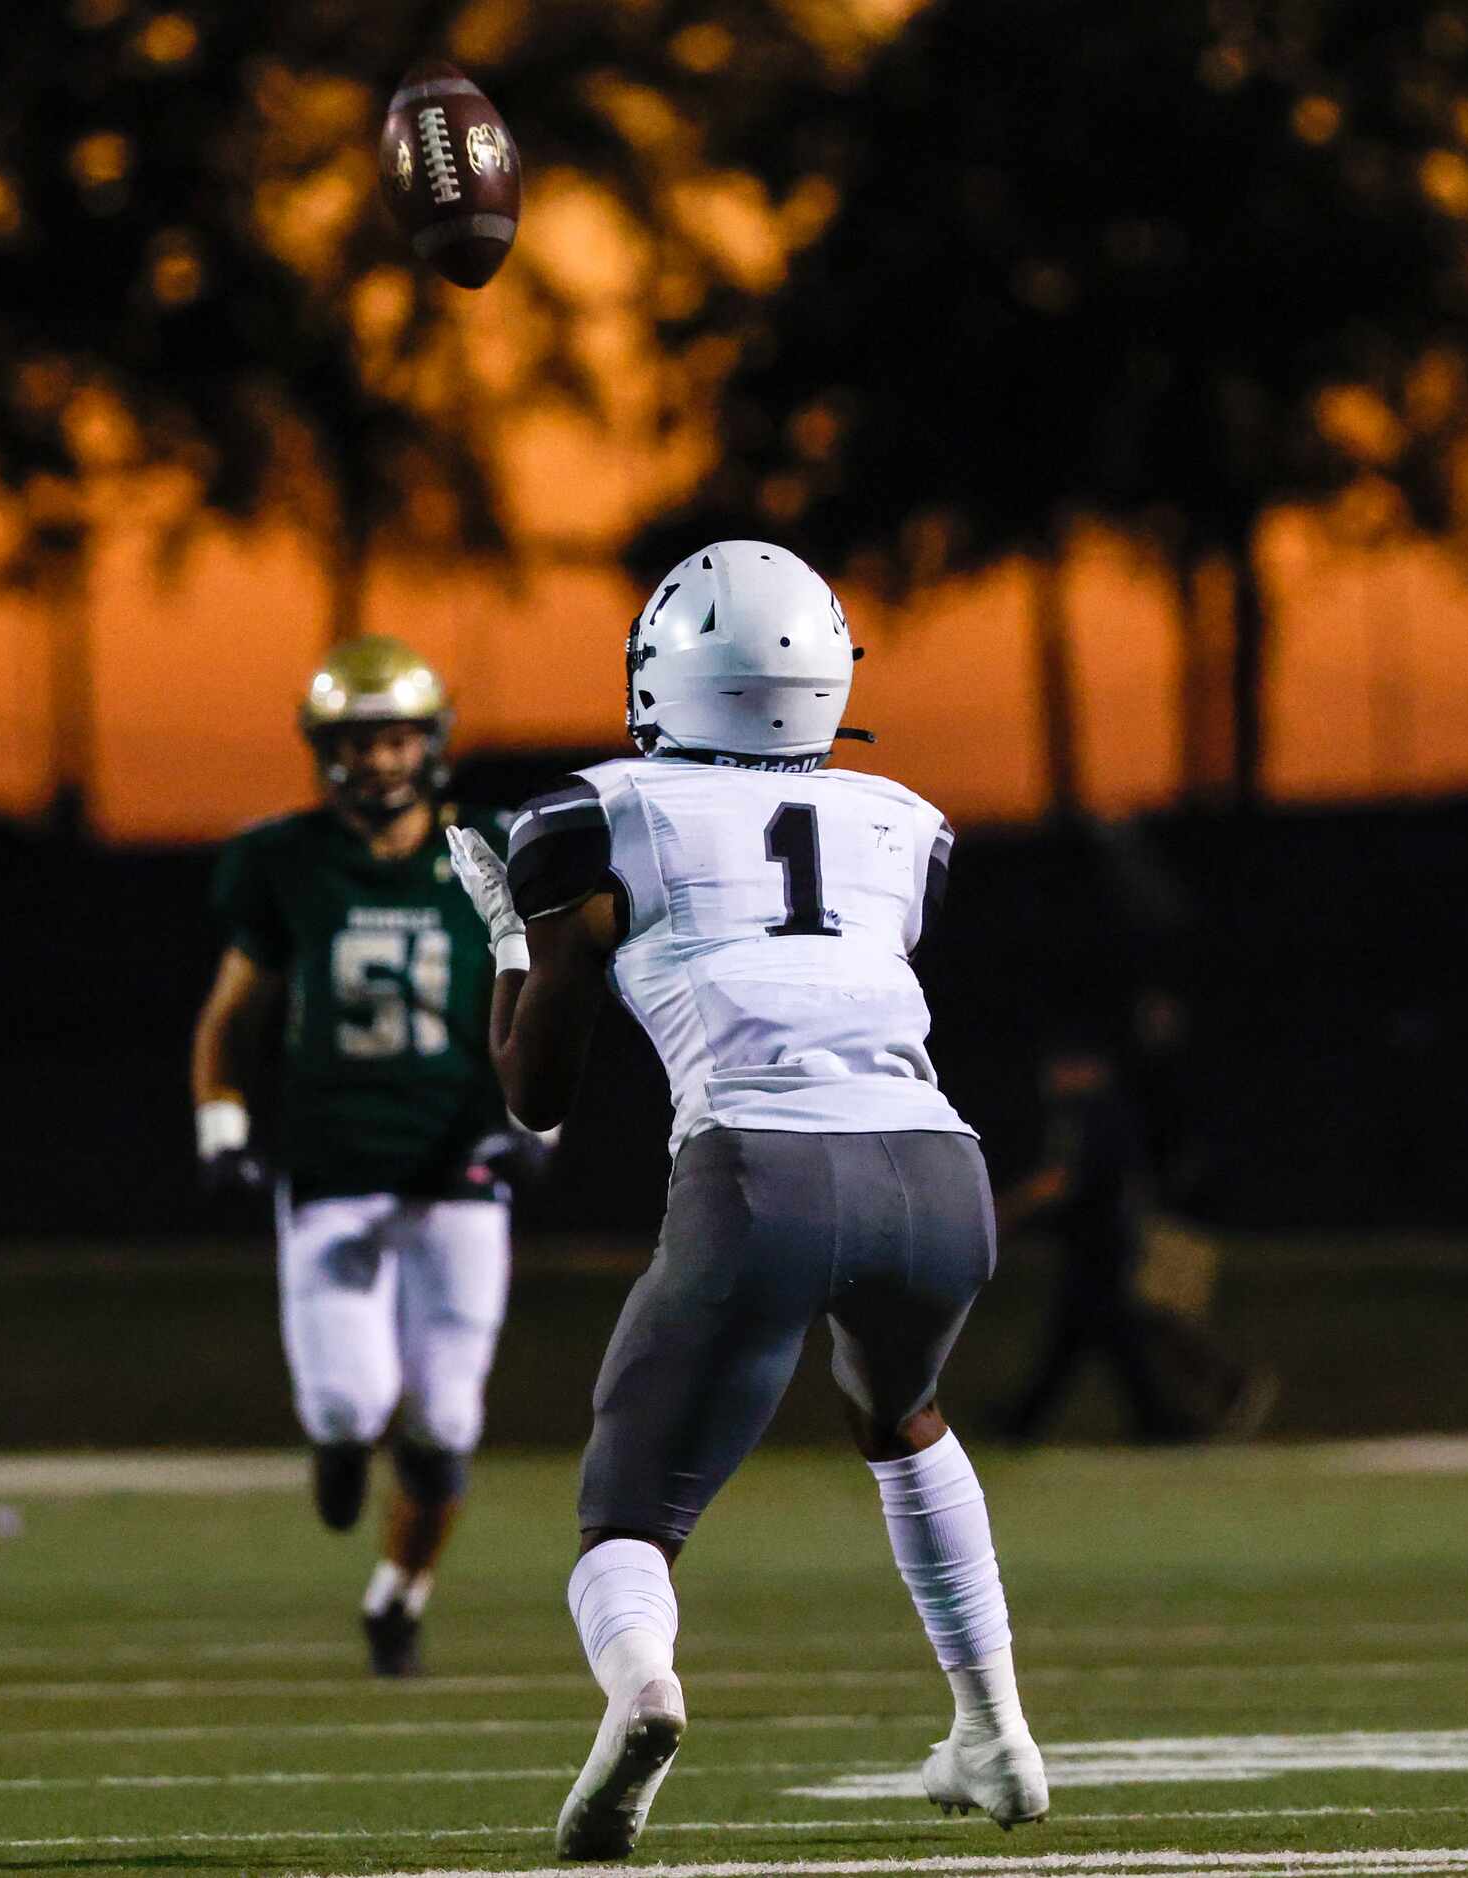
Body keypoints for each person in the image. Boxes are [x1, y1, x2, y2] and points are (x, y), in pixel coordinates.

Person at [445, 542, 1049, 1858]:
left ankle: (644, 1689)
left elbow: (535, 1092)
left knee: (628, 1505)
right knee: (900, 1415)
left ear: (663, 668)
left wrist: (513, 938)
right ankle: (995, 1729)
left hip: (763, 1169)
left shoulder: (589, 815)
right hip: (940, 1172)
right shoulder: (906, 821)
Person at [189, 635, 546, 1677]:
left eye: (395, 738)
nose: (380, 761)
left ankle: (400, 1594)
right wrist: (221, 1126)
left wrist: (537, 1122)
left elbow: (545, 1001)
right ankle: (342, 1448)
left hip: (456, 1165)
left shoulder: (492, 848)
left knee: (444, 1422)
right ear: (325, 750)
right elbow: (227, 1020)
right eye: (358, 741)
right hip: (332, 1161)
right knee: (348, 1404)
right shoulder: (284, 859)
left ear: (430, 742)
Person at [994, 1040, 1269, 1443]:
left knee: (1108, 1335)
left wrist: (1005, 1210)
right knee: (1105, 1336)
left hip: (1102, 1244)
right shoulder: (1111, 1111)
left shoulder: (1091, 1113)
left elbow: (1062, 1179)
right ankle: (1170, 1417)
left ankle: (1195, 1406)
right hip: (1110, 1241)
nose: (1051, 1078)